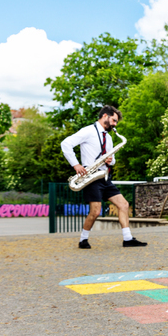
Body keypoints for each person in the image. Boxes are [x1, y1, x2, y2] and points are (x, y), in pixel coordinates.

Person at [61, 105, 147, 249]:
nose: (115, 125)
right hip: (91, 177)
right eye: (114, 120)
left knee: (124, 204)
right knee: (95, 211)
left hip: (104, 177)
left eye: (116, 122)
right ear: (105, 116)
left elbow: (112, 159)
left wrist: (110, 160)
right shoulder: (88, 131)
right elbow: (65, 144)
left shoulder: (108, 137)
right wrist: (76, 165)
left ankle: (128, 239)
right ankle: (83, 240)